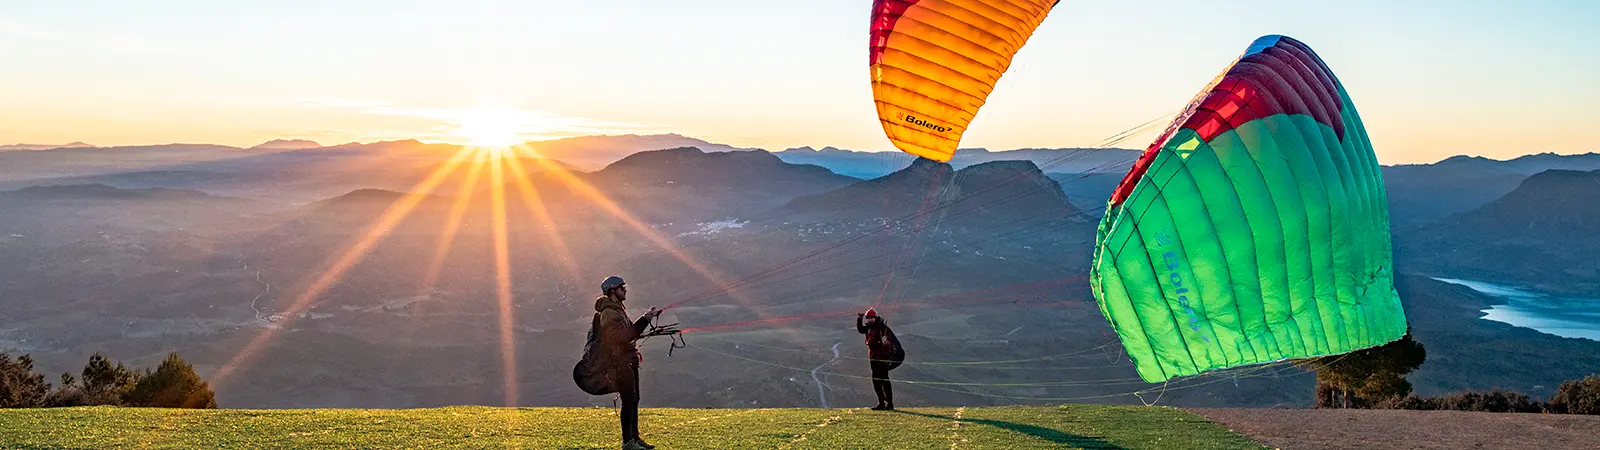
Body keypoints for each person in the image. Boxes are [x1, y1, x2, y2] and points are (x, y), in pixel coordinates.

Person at [594, 276, 660, 450]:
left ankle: (635, 438)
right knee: (629, 400)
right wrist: (645, 319)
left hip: (628, 359)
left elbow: (629, 332)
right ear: (613, 291)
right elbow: (624, 336)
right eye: (622, 287)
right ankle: (627, 442)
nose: (625, 290)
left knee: (634, 399)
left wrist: (648, 317)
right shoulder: (609, 313)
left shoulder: (617, 310)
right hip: (619, 362)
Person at [856, 307, 903, 411]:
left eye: (871, 318)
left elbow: (890, 339)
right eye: (868, 318)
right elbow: (860, 330)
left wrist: (891, 351)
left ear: (875, 318)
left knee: (884, 380)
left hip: (882, 358)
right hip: (873, 358)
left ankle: (889, 404)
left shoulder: (882, 327)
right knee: (876, 381)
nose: (869, 319)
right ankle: (881, 403)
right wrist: (859, 318)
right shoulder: (868, 328)